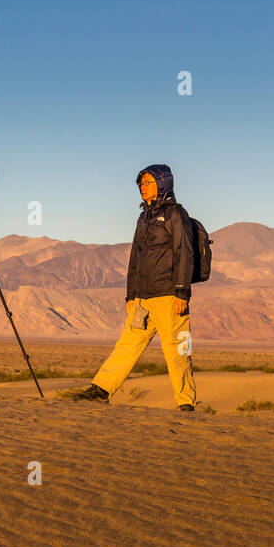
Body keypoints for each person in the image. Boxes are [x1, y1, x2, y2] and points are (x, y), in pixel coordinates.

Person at [76, 164, 196, 410]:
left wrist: (182, 292)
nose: (143, 187)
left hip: (170, 297)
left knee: (179, 351)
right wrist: (130, 294)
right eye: (141, 183)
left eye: (149, 182)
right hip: (142, 299)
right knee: (127, 345)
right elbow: (135, 258)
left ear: (163, 184)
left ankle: (186, 402)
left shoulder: (176, 214)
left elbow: (185, 253)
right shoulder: (143, 217)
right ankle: (102, 388)